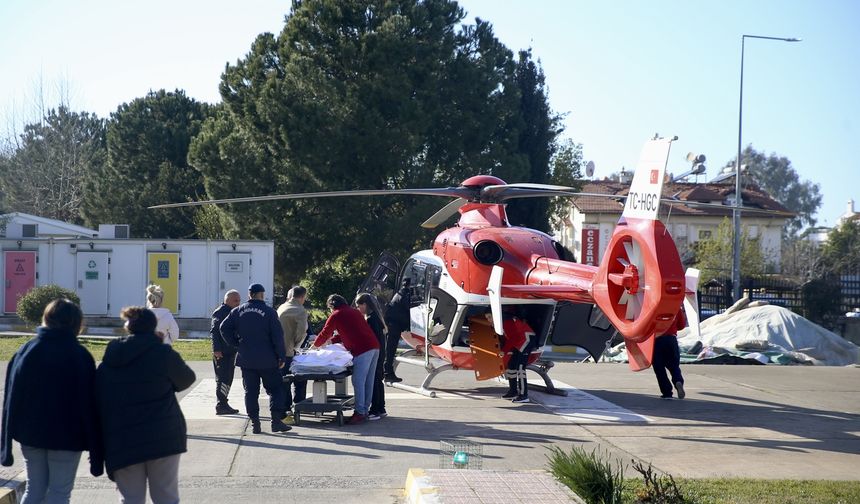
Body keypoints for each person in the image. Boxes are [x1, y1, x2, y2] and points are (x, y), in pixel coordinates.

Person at [1, 299, 103, 503]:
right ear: (76, 323)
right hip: (67, 437)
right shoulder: (80, 355)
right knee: (59, 492)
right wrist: (96, 446)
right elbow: (90, 405)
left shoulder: (26, 351)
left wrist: (6, 443)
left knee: (34, 490)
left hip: (31, 434)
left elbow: (11, 398)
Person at [96, 306, 196, 504]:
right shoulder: (162, 353)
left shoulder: (112, 356)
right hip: (163, 435)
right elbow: (186, 379)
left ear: (128, 327)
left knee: (130, 498)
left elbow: (99, 393)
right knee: (166, 497)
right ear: (154, 327)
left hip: (123, 437)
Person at [220, 283, 291, 434]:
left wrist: (236, 344)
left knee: (251, 392)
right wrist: (281, 356)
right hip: (268, 359)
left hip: (247, 359)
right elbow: (278, 337)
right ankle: (276, 421)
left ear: (249, 294)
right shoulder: (269, 312)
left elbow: (223, 328)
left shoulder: (238, 311)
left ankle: (255, 424)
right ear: (262, 294)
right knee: (276, 389)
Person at [313, 294, 380, 425]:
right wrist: (332, 340)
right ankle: (364, 410)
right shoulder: (354, 312)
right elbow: (349, 332)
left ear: (332, 306)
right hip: (374, 346)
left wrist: (315, 345)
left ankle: (360, 412)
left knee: (358, 380)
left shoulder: (336, 314)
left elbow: (325, 332)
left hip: (362, 350)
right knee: (368, 381)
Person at [486, 307, 536, 404]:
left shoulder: (506, 321)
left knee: (521, 368)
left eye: (489, 317)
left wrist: (504, 351)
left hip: (526, 340)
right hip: (519, 342)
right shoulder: (501, 322)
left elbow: (513, 338)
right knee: (511, 367)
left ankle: (523, 395)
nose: (488, 319)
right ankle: (513, 391)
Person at [355, 292, 388, 421]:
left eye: (359, 306)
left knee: (372, 381)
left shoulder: (370, 319)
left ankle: (374, 410)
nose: (358, 309)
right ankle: (381, 408)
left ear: (365, 305)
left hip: (374, 352)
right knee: (378, 380)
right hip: (380, 351)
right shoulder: (377, 317)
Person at [277, 286, 309, 415]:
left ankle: (286, 407)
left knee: (284, 381)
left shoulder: (281, 307)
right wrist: (297, 345)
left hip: (279, 350)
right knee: (300, 379)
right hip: (291, 351)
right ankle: (299, 405)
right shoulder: (300, 310)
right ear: (302, 297)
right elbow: (301, 332)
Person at [211, 289, 242, 415]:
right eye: (235, 300)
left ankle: (224, 403)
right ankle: (221, 405)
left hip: (230, 351)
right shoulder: (220, 312)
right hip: (222, 352)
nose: (238, 303)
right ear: (227, 300)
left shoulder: (233, 312)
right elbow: (214, 331)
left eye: (239, 300)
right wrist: (216, 349)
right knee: (223, 378)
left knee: (228, 378)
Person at [652, 309, 686, 399]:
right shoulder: (676, 307)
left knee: (659, 368)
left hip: (656, 340)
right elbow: (681, 325)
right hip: (671, 339)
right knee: (674, 366)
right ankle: (678, 381)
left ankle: (667, 392)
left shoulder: (653, 305)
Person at [383, 278, 412, 382]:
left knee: (389, 350)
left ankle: (387, 372)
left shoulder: (399, 293)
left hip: (392, 324)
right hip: (394, 325)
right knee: (390, 351)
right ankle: (388, 373)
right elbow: (409, 308)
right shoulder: (405, 294)